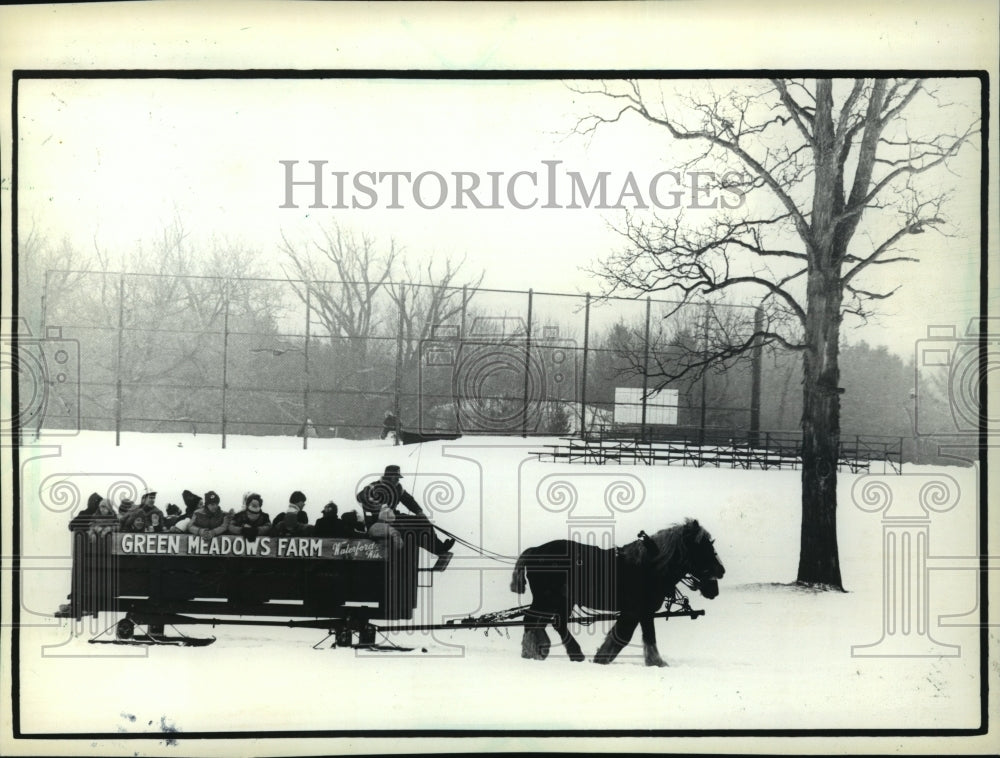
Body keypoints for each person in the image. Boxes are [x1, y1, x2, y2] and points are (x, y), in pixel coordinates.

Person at [355, 465, 454, 556]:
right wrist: (377, 507)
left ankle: (439, 547)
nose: (398, 479)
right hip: (378, 522)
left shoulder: (397, 488)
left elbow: (408, 500)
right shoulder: (374, 487)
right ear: (390, 476)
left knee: (422, 522)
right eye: (396, 477)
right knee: (411, 530)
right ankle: (437, 549)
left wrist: (419, 512)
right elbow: (360, 497)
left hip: (393, 517)